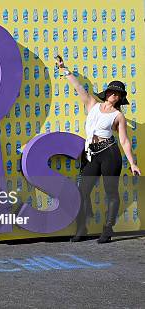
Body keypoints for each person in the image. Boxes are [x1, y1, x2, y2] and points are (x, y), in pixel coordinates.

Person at [55, 56, 140, 243]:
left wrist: (133, 163)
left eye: (118, 94)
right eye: (112, 92)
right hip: (91, 153)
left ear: (120, 98)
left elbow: (124, 141)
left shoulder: (118, 116)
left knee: (111, 192)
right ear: (107, 92)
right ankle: (81, 228)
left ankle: (107, 230)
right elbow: (79, 89)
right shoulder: (92, 105)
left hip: (109, 153)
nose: (114, 95)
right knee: (82, 191)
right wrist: (64, 69)